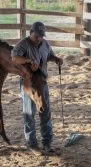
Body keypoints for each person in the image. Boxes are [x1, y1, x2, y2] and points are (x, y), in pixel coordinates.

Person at [11, 21, 63, 155]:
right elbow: (14, 58)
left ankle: (47, 143)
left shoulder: (45, 44)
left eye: (41, 36)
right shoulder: (23, 44)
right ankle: (32, 144)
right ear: (30, 33)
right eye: (36, 36)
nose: (39, 38)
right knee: (30, 113)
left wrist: (55, 59)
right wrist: (28, 61)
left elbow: (49, 55)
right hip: (29, 83)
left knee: (45, 111)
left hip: (42, 82)